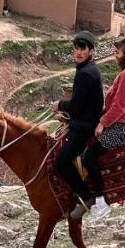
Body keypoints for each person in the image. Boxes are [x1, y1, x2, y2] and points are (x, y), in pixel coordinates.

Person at [79, 34, 125, 221]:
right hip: (124, 121)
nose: (115, 55)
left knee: (89, 156)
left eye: (118, 52)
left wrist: (102, 123)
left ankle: (100, 200)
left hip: (121, 127)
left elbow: (119, 107)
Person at [50, 31, 103, 220]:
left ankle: (86, 197)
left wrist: (60, 106)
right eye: (76, 48)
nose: (78, 52)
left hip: (84, 127)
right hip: (82, 121)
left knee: (61, 163)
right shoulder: (86, 68)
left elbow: (77, 105)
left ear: (91, 51)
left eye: (83, 48)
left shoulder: (86, 73)